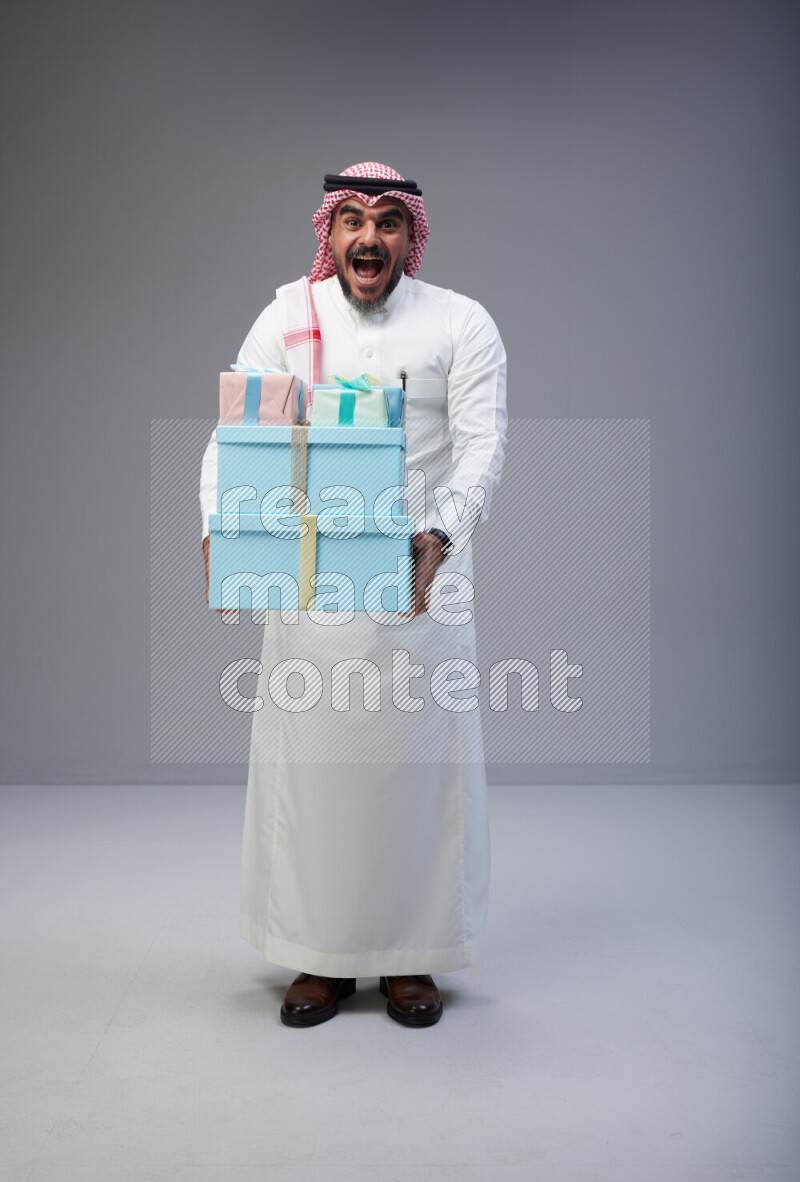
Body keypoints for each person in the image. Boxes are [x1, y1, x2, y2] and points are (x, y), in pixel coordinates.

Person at [199, 162, 507, 1028]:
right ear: (328, 234)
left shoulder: (461, 322)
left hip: (421, 581)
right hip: (315, 577)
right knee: (317, 773)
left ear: (411, 237)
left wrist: (440, 535)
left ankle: (413, 958)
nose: (368, 239)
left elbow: (483, 445)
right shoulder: (286, 319)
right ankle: (319, 956)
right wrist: (219, 520)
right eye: (352, 222)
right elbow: (238, 432)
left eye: (387, 223)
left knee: (417, 775)